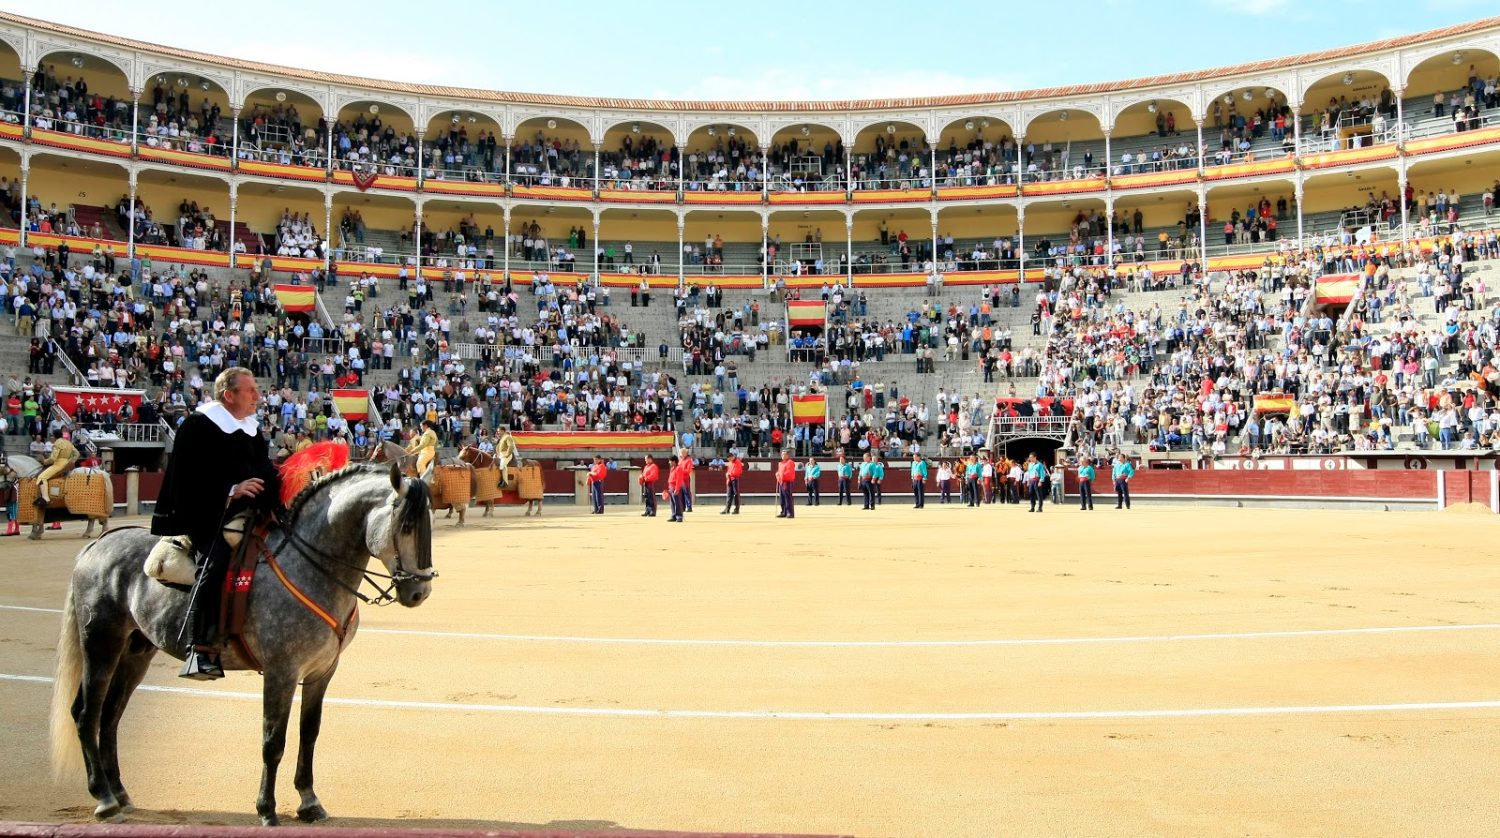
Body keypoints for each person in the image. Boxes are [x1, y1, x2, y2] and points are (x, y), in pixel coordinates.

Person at [151, 367, 280, 681]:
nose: (257, 397)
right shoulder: (197, 426)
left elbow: (264, 471)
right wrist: (230, 490)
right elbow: (185, 478)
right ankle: (200, 650)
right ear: (229, 395)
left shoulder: (250, 427)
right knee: (216, 563)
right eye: (250, 390)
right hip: (206, 513)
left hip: (249, 513)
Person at [32, 429, 79, 506]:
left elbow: (53, 458)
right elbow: (77, 453)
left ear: (54, 436)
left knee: (41, 477)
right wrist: (71, 462)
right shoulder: (68, 442)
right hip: (66, 463)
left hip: (58, 464)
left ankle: (45, 499)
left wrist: (44, 461)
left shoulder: (57, 443)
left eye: (52, 436)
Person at [775, 449, 797, 518]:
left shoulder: (790, 462)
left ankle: (789, 512)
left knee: (788, 497)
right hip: (782, 482)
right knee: (782, 498)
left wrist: (781, 476)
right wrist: (778, 475)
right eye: (782, 454)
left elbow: (789, 473)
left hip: (787, 482)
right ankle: (783, 511)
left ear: (787, 455)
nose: (782, 455)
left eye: (784, 454)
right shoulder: (781, 463)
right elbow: (779, 472)